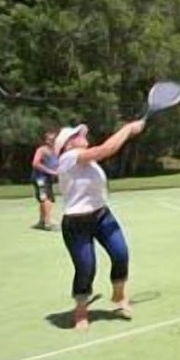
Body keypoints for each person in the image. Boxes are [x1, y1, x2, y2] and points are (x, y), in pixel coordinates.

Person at [53, 119, 146, 331]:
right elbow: (107, 149)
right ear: (67, 145)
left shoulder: (88, 162)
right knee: (86, 268)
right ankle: (81, 311)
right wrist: (128, 129)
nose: (82, 135)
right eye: (76, 134)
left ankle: (119, 296)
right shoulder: (67, 158)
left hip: (102, 216)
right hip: (77, 223)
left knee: (121, 254)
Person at [30, 130, 59, 231]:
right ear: (46, 140)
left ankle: (42, 221)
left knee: (46, 198)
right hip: (40, 178)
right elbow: (35, 163)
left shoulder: (55, 151)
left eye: (54, 139)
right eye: (50, 139)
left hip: (48, 179)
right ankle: (47, 222)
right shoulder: (42, 150)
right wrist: (50, 171)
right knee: (45, 198)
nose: (52, 141)